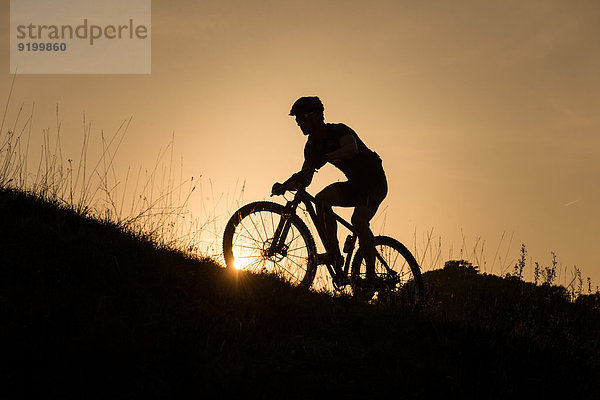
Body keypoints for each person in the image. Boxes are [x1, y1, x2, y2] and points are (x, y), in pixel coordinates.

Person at [271, 96, 388, 285]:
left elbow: (352, 150)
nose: (298, 124)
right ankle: (334, 253)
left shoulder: (339, 130)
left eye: (300, 119)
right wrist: (285, 185)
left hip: (374, 183)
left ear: (314, 117)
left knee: (358, 220)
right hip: (355, 185)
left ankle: (372, 276)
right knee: (322, 200)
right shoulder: (310, 147)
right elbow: (306, 178)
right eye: (297, 120)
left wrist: (325, 157)